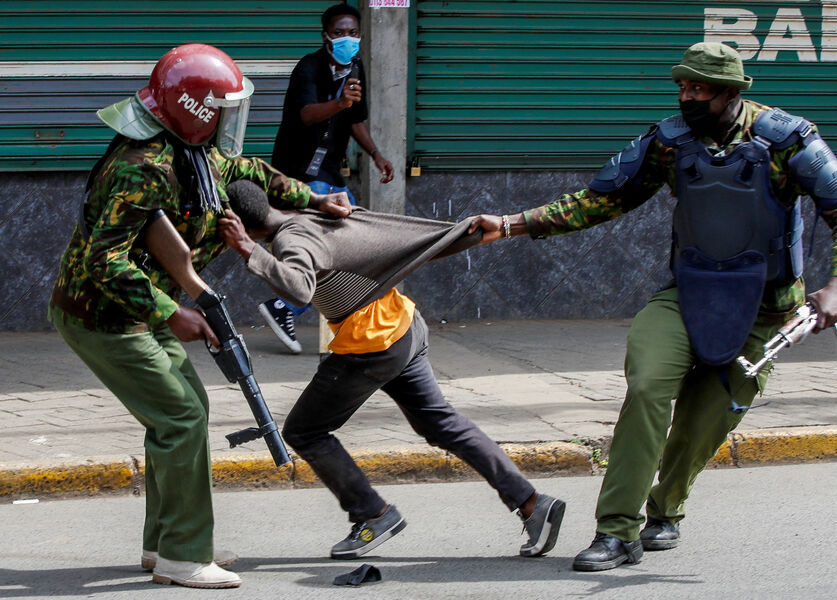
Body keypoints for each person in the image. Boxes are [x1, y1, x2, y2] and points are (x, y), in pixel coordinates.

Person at [469, 42, 837, 572]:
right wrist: (511, 223)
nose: (686, 95)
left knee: (702, 425)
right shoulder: (670, 142)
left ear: (730, 93)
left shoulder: (788, 139)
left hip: (766, 311)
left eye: (698, 88)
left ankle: (666, 510)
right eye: (681, 85)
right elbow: (600, 200)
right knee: (648, 385)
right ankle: (616, 531)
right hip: (688, 296)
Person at [48, 44, 350, 589]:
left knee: (188, 409)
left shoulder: (192, 150)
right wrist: (173, 313)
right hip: (101, 314)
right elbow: (103, 259)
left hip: (136, 310)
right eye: (224, 108)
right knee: (181, 417)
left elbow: (249, 170)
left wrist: (313, 199)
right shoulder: (142, 168)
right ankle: (184, 556)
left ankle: (163, 543)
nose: (232, 119)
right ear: (198, 110)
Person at [218, 179, 566, 561]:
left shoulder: (290, 240)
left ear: (237, 223)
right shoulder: (312, 215)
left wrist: (247, 249)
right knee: (440, 423)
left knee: (305, 431)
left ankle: (373, 514)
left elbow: (299, 290)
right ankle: (532, 503)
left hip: (372, 344)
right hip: (403, 325)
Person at [259, 2, 395, 353]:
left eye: (352, 33)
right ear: (325, 36)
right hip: (301, 171)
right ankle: (285, 305)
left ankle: (340, 318)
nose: (346, 39)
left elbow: (355, 120)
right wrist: (340, 103)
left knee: (348, 244)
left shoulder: (356, 67)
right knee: (319, 245)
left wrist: (377, 155)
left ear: (360, 35)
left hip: (330, 168)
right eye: (339, 33)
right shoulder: (309, 67)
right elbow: (305, 115)